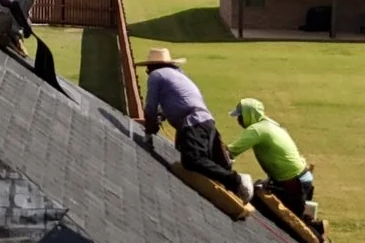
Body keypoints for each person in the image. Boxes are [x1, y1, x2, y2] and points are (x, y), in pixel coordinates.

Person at [137, 48, 248, 195]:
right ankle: (234, 189)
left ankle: (236, 180)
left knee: (192, 160)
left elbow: (150, 107)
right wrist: (161, 115)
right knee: (206, 162)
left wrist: (149, 131)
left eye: (148, 67)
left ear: (153, 66)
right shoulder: (178, 75)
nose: (147, 71)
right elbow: (178, 101)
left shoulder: (156, 75)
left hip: (193, 122)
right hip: (205, 121)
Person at [227, 98, 320, 230]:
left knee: (293, 225)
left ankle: (320, 239)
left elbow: (230, 152)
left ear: (249, 115)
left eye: (240, 116)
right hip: (301, 177)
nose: (238, 120)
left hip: (294, 182)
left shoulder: (256, 130)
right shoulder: (271, 125)